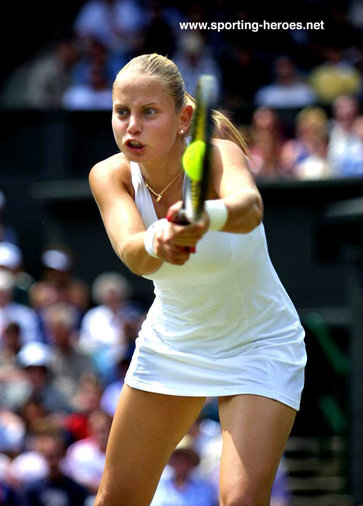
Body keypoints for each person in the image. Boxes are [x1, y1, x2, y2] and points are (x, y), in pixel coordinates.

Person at [88, 53, 307, 506]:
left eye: (149, 112)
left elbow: (249, 208)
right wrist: (159, 243)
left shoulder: (219, 154)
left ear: (184, 116)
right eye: (121, 112)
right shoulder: (109, 176)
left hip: (260, 344)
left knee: (241, 501)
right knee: (115, 498)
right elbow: (134, 255)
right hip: (174, 342)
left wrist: (204, 215)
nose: (132, 127)